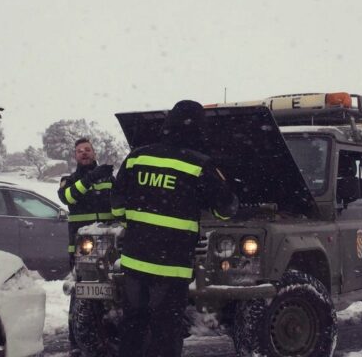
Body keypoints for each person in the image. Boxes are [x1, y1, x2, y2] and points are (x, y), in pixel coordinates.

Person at [111, 100, 238, 357]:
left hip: (134, 262)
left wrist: (136, 228)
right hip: (171, 267)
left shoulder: (137, 157)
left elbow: (116, 203)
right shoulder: (200, 165)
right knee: (165, 332)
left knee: (133, 327)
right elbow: (225, 209)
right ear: (198, 129)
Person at [57, 137, 115, 357]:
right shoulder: (68, 180)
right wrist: (91, 178)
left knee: (112, 291)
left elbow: (120, 202)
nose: (84, 153)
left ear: (94, 152)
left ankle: (108, 332)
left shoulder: (109, 177)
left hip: (111, 246)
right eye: (79, 150)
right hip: (82, 249)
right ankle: (76, 339)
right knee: (80, 294)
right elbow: (67, 197)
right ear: (75, 156)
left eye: (87, 150)